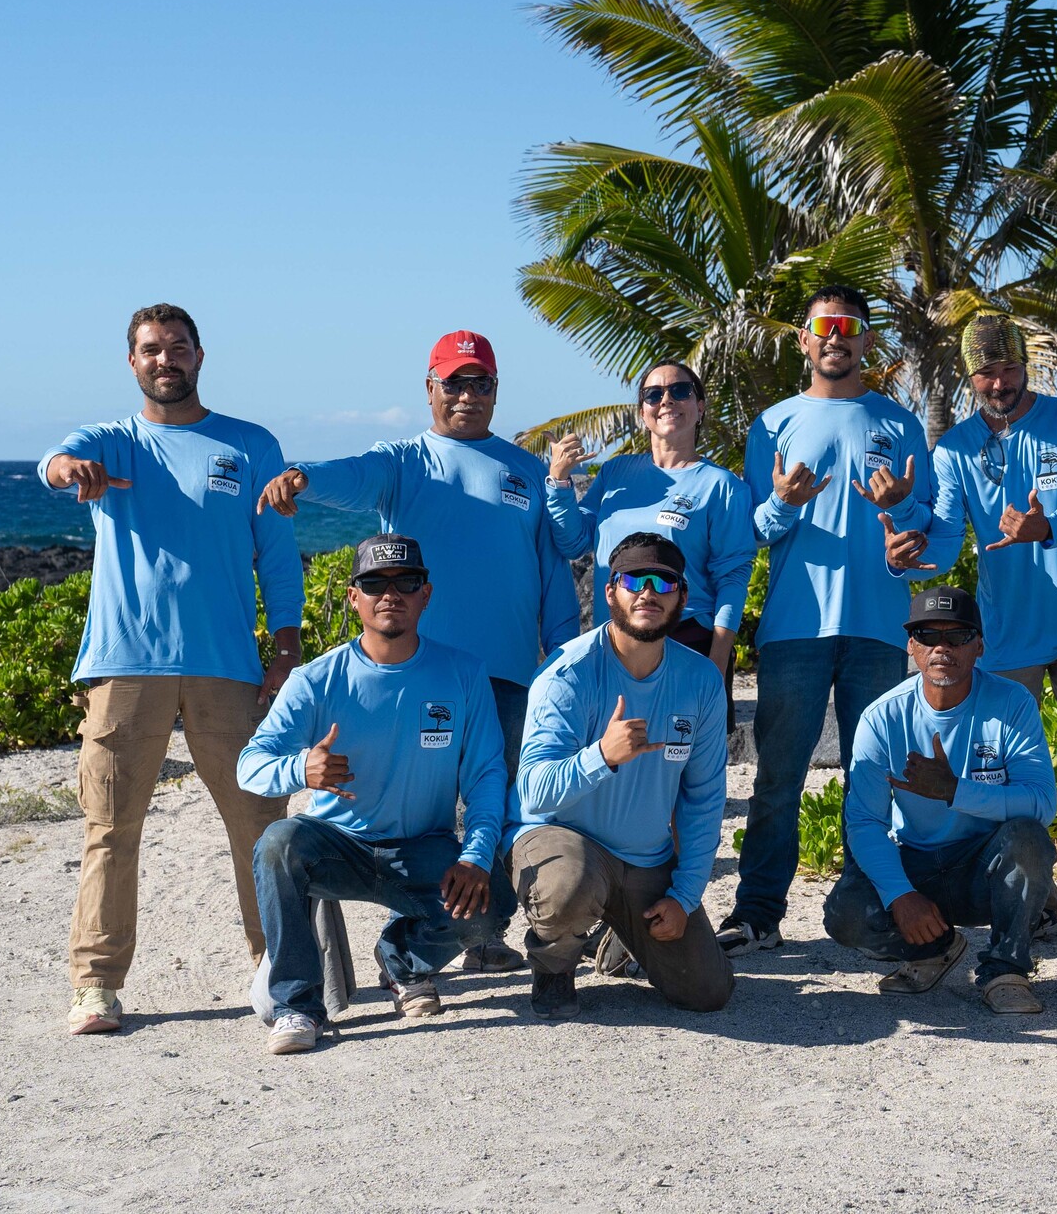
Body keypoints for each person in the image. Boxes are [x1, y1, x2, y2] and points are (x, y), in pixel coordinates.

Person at [257, 329, 576, 973]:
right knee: (422, 809)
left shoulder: (526, 469)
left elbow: (552, 574)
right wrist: (302, 478)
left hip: (508, 673)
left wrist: (564, 660)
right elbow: (350, 475)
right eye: (453, 382)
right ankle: (415, 926)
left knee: (504, 801)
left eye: (479, 382)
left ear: (494, 391)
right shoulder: (404, 459)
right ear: (430, 388)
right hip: (420, 672)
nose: (466, 394)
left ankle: (481, 935)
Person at [40, 303, 303, 1037]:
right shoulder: (112, 444)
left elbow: (278, 558)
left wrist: (286, 649)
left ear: (199, 356)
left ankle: (279, 971)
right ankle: (96, 985)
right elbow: (56, 462)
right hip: (125, 666)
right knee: (110, 826)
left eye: (178, 348)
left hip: (227, 666)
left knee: (259, 822)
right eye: (152, 349)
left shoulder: (249, 444)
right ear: (132, 361)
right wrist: (71, 470)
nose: (166, 360)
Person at [718, 284, 932, 955]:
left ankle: (864, 908)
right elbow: (751, 529)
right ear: (804, 340)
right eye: (823, 325)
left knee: (874, 777)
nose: (835, 336)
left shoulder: (901, 424)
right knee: (778, 776)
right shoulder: (772, 423)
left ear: (869, 340)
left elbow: (924, 529)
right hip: (793, 629)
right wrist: (781, 502)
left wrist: (906, 513)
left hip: (878, 628)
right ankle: (758, 912)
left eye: (849, 325)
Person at [910, 314, 1057, 965]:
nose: (998, 382)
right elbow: (948, 536)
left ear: (1024, 363)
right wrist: (909, 547)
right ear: (968, 375)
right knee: (1004, 776)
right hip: (1005, 638)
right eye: (984, 372)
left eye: (1007, 368)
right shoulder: (952, 448)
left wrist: (1043, 524)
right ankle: (1032, 900)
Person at [237, 536, 504, 1054]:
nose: (391, 594)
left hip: (424, 847)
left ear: (425, 594)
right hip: (337, 844)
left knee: (496, 905)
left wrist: (475, 855)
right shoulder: (315, 680)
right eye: (374, 583)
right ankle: (297, 1005)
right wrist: (301, 767)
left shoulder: (464, 674)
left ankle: (401, 960)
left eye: (405, 582)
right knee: (278, 843)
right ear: (353, 598)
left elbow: (487, 777)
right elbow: (250, 765)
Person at [510, 534, 733, 1017]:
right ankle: (554, 964)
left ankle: (619, 935)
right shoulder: (568, 673)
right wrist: (602, 756)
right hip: (562, 843)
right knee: (569, 886)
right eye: (634, 579)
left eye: (664, 581)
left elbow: (704, 798)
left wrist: (684, 894)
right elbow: (532, 793)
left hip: (644, 859)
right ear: (610, 591)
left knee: (707, 992)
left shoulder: (700, 681)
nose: (648, 592)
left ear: (683, 598)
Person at [824, 587, 1057, 1014]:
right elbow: (863, 822)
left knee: (1027, 838)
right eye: (928, 636)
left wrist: (954, 791)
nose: (942, 648)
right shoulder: (882, 717)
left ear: (980, 645)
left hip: (984, 864)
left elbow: (1042, 804)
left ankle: (1006, 970)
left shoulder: (1011, 703)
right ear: (911, 646)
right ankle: (935, 949)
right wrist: (899, 895)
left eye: (958, 637)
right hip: (915, 862)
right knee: (846, 913)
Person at [570, 360, 757, 679]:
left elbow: (732, 578)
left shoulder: (723, 487)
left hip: (685, 641)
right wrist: (560, 483)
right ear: (643, 412)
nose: (666, 400)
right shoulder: (615, 472)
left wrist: (716, 661)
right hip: (613, 641)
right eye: (653, 394)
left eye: (680, 391)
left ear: (699, 409)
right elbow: (572, 540)